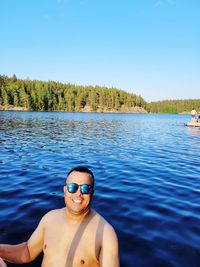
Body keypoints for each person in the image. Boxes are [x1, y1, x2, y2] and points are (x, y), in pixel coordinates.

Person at [0, 166, 119, 267]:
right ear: (65, 190)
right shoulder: (50, 218)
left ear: (92, 192)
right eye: (73, 187)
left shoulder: (106, 234)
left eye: (85, 188)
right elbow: (28, 252)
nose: (78, 193)